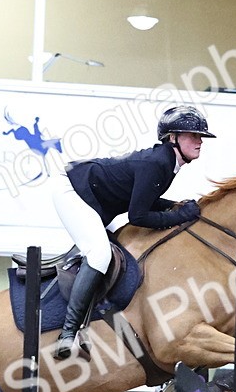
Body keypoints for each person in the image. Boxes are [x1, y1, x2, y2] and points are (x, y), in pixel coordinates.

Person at [50, 104, 214, 359]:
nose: (199, 141)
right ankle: (68, 333)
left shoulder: (167, 162)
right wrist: (181, 215)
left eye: (200, 136)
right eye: (193, 135)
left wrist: (175, 206)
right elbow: (138, 216)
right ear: (172, 138)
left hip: (93, 197)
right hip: (72, 189)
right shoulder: (158, 163)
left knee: (119, 253)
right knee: (99, 255)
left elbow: (145, 199)